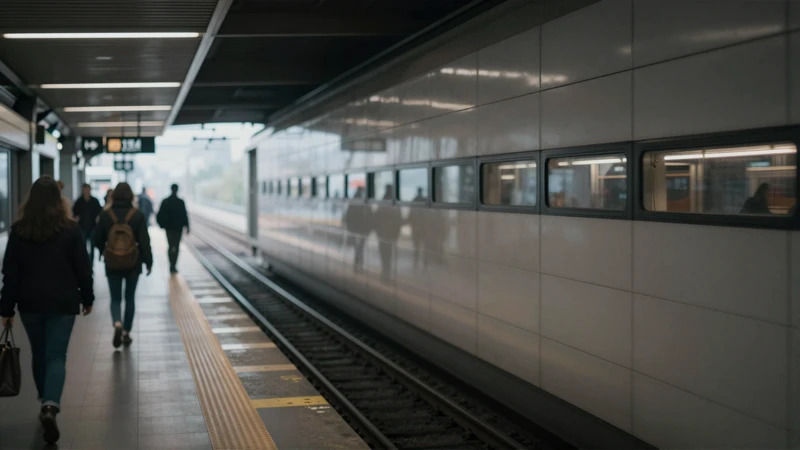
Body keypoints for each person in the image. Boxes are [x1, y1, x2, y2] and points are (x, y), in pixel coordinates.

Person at [0, 176, 94, 444]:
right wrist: (87, 298)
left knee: (39, 353)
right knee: (56, 355)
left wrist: (5, 308)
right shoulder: (70, 230)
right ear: (58, 199)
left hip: (30, 304)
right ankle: (50, 405)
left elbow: (10, 273)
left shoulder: (19, 231)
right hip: (63, 303)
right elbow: (83, 269)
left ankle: (44, 398)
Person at [95, 182, 152, 348]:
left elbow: (98, 239)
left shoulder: (106, 215)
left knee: (115, 298)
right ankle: (126, 331)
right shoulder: (137, 215)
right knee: (130, 298)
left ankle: (117, 322)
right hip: (133, 263)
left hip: (112, 262)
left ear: (113, 196)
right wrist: (148, 262)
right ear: (131, 196)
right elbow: (144, 242)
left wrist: (104, 251)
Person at [156, 184, 189, 274]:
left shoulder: (166, 201)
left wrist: (162, 225)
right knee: (176, 246)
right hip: (178, 228)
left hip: (169, 228)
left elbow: (159, 215)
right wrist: (187, 227)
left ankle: (171, 265)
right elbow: (185, 215)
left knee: (170, 246)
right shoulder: (180, 202)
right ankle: (174, 265)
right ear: (177, 190)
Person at [72, 183, 103, 262]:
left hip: (92, 227)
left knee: (92, 246)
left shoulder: (94, 201)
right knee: (82, 246)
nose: (86, 191)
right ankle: (84, 262)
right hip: (82, 227)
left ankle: (91, 263)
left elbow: (100, 212)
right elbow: (74, 213)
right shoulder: (79, 201)